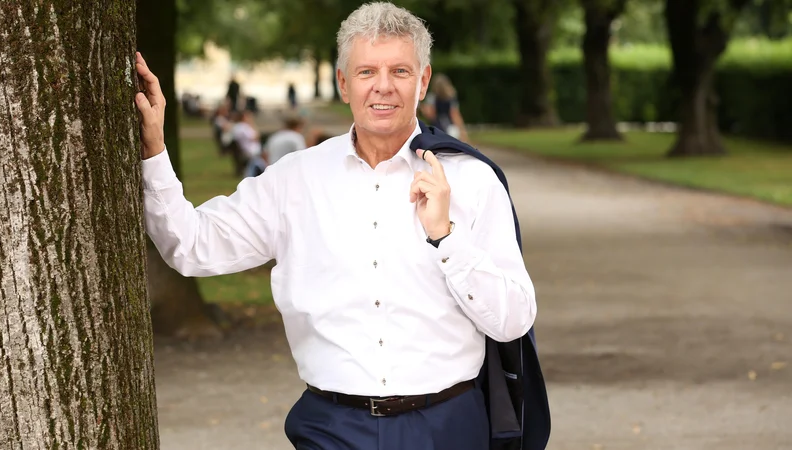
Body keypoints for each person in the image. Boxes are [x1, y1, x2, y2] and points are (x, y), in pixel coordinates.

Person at [134, 2, 541, 449]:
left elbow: (512, 321)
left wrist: (446, 236)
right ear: (344, 84)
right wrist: (154, 148)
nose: (383, 87)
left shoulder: (472, 180)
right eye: (366, 72)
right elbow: (190, 246)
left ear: (423, 82)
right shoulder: (295, 179)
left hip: (446, 426)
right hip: (333, 429)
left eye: (400, 72)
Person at [419, 73, 469, 141]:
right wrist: (462, 131)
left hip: (437, 129)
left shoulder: (432, 97)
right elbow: (455, 114)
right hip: (450, 128)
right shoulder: (451, 98)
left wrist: (423, 109)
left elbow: (431, 115)